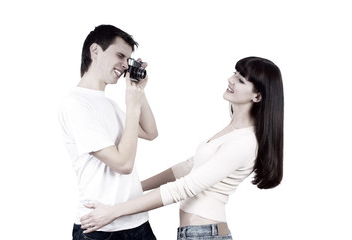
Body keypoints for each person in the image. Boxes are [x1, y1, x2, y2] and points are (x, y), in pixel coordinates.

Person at [79, 56, 284, 240]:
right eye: (235, 73)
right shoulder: (232, 130)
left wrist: (114, 211)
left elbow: (185, 187)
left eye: (241, 80)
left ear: (257, 97)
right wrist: (134, 188)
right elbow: (187, 167)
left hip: (206, 235)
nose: (231, 80)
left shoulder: (246, 141)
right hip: (198, 234)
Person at [58, 25, 158, 240]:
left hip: (137, 221)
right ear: (95, 51)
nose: (124, 65)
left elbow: (150, 132)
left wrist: (138, 91)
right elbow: (123, 164)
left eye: (128, 59)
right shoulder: (76, 104)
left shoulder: (108, 104)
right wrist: (132, 106)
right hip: (102, 229)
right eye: (120, 55)